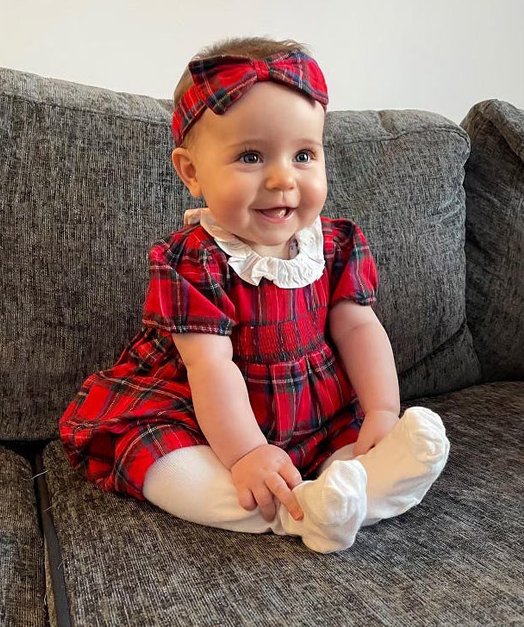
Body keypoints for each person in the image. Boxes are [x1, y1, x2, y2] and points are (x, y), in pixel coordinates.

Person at [59, 36, 450, 554]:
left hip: (314, 408)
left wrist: (382, 410)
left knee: (358, 447)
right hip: (203, 413)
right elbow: (209, 366)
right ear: (192, 172)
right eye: (250, 156)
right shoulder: (193, 260)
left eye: (304, 154)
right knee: (165, 464)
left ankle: (352, 495)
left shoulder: (336, 246)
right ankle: (290, 514)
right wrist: (246, 453)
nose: (282, 178)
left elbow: (359, 328)